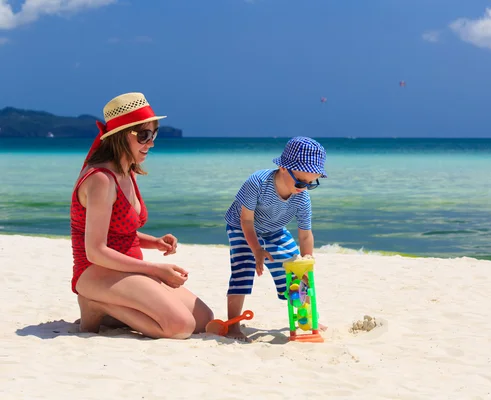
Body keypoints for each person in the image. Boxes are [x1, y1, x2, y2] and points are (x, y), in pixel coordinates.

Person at [70, 92, 214, 339]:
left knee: (204, 319)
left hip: (126, 269)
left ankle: (115, 312)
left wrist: (153, 242)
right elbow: (95, 250)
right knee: (180, 327)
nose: (151, 143)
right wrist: (154, 270)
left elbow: (119, 231)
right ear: (120, 137)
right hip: (94, 270)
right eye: (144, 136)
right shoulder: (101, 180)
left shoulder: (128, 172)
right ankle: (97, 304)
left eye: (153, 134)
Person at [223, 137, 327, 342]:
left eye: (310, 184)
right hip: (241, 227)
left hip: (274, 230)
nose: (303, 188)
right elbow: (246, 220)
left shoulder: (302, 198)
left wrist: (307, 260)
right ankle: (233, 326)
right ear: (282, 167)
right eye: (299, 181)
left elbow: (305, 234)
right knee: (243, 270)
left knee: (298, 274)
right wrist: (256, 250)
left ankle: (308, 318)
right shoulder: (257, 183)